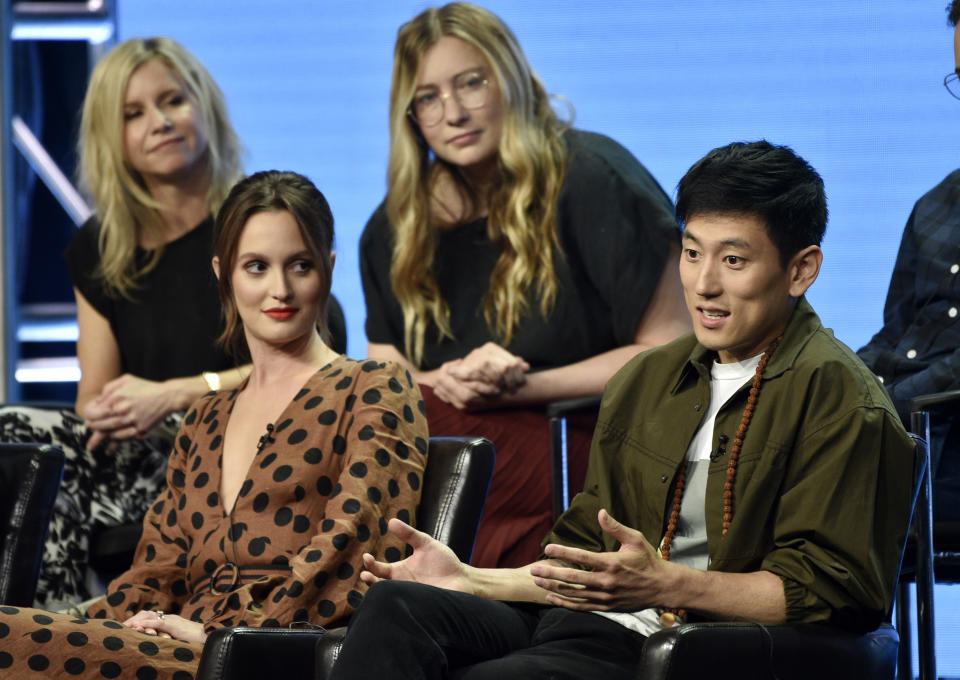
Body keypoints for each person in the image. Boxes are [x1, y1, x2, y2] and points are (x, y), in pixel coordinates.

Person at [329, 141, 917, 680]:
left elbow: (827, 590)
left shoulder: (841, 399)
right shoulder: (645, 378)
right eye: (692, 253)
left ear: (801, 270)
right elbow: (588, 561)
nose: (704, 284)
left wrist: (668, 584)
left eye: (733, 261)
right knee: (396, 606)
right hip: (583, 624)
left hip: (690, 649)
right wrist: (472, 579)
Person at [0, 170, 428, 678]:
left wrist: (226, 637)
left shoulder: (374, 387)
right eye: (256, 267)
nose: (280, 288)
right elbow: (155, 570)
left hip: (270, 651)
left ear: (328, 269)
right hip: (170, 644)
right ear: (224, 274)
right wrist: (109, 622)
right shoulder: (206, 417)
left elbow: (357, 555)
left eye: (300, 265)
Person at [361, 2, 690, 568]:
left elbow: (672, 350)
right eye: (429, 97)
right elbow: (385, 374)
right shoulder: (394, 225)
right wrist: (444, 379)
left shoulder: (591, 176)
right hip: (449, 453)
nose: (455, 112)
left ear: (510, 79)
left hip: (581, 440)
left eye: (472, 83)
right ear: (410, 115)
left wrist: (523, 385)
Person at [0, 37, 249, 610]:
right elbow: (95, 393)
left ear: (204, 106)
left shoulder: (256, 218)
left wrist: (170, 395)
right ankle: (52, 626)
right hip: (142, 455)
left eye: (173, 102)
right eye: (133, 114)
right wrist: (110, 412)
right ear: (112, 139)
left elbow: (316, 370)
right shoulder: (99, 247)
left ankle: (55, 637)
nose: (159, 123)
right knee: (25, 445)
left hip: (240, 447)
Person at [856, 1, 960, 522]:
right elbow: (895, 334)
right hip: (904, 433)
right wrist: (837, 380)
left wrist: (888, 405)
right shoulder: (935, 205)